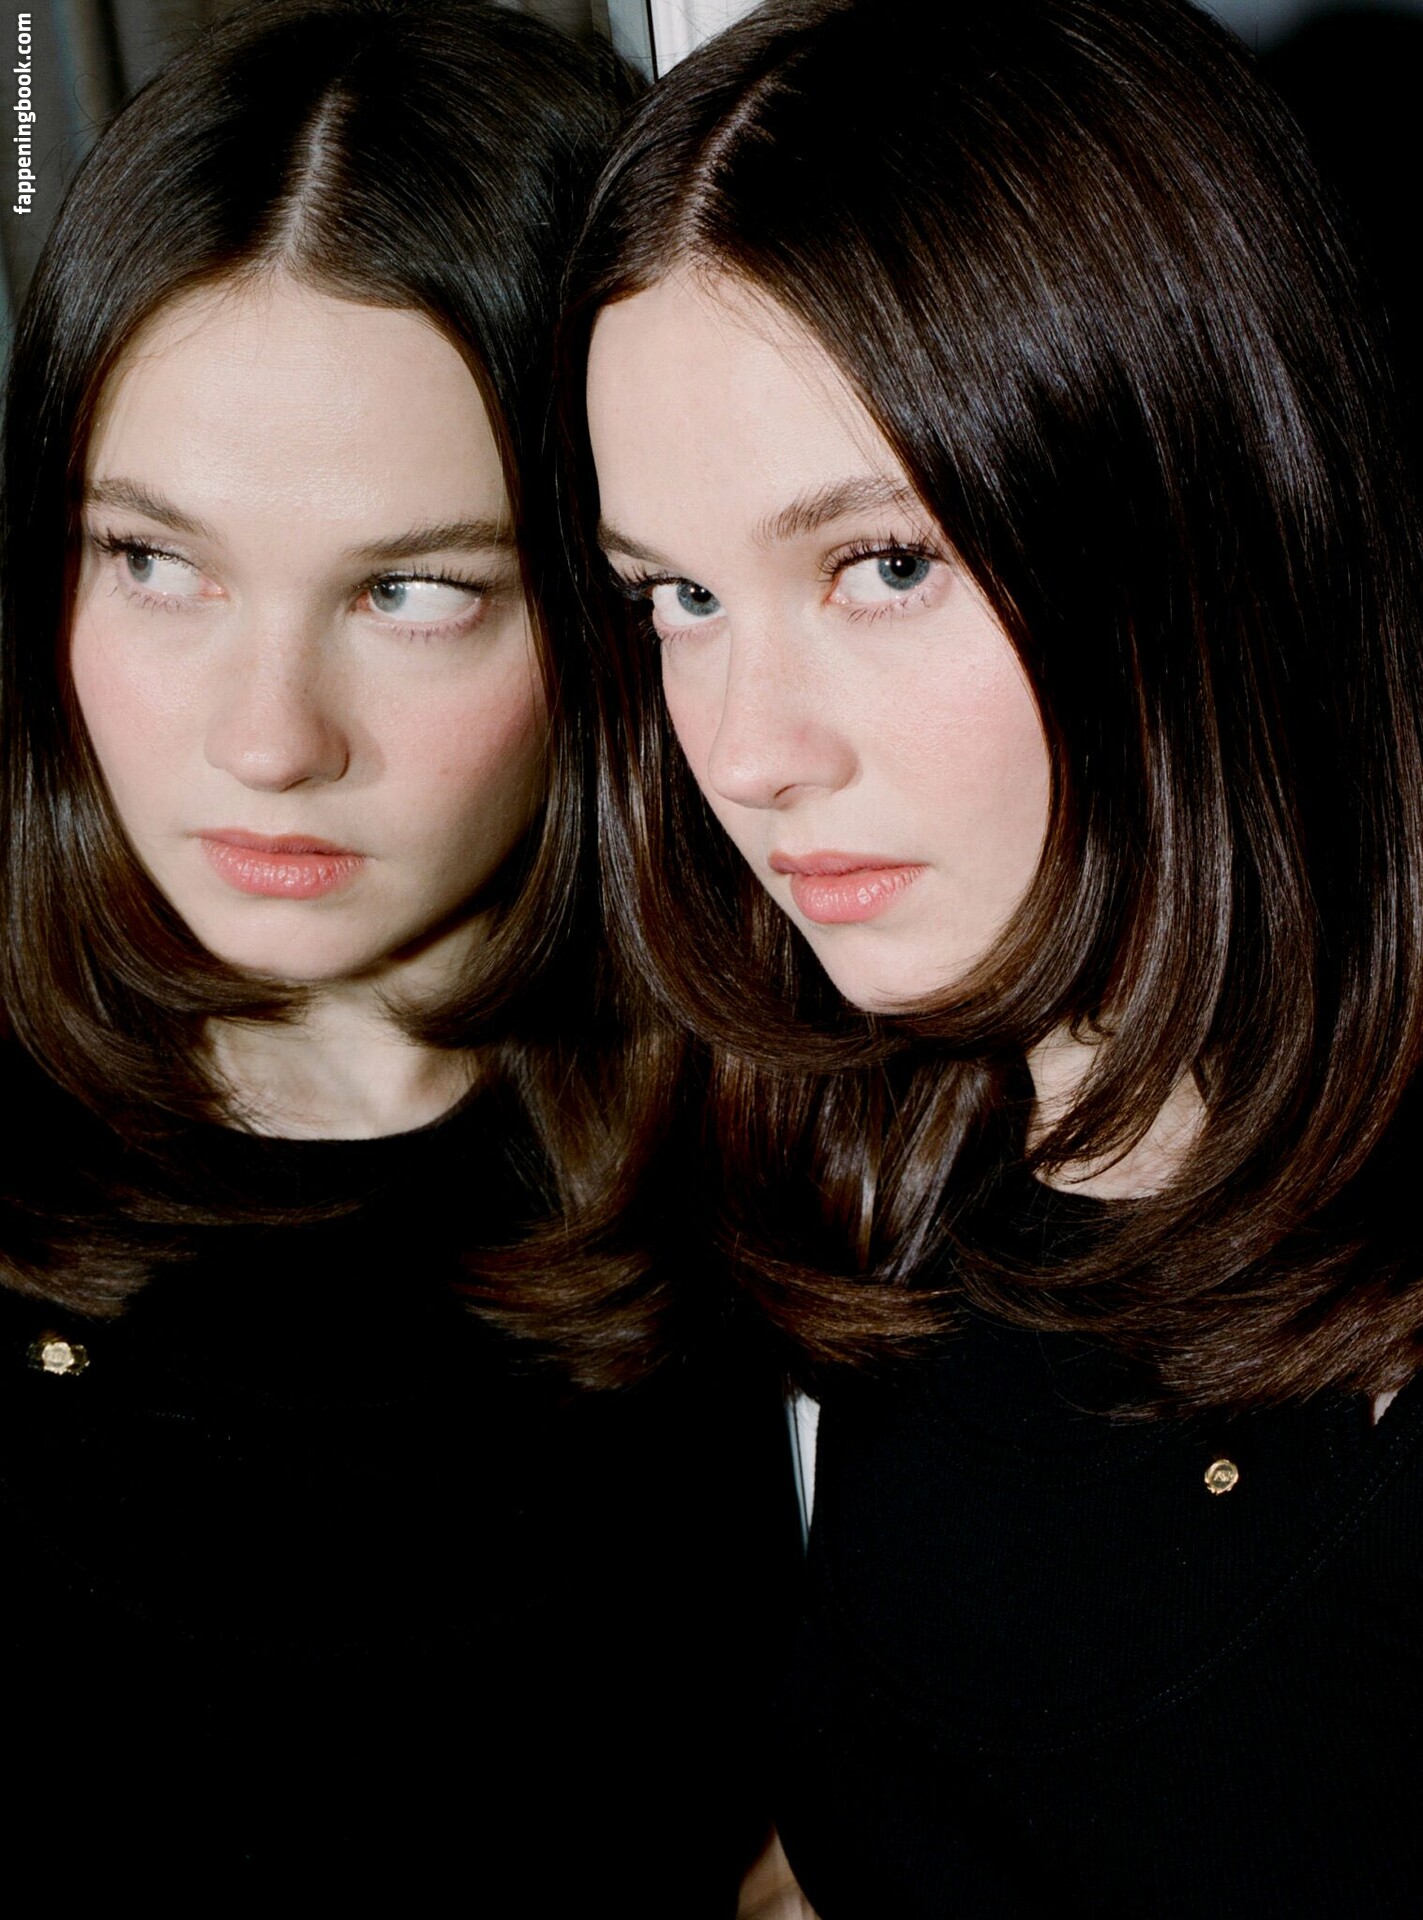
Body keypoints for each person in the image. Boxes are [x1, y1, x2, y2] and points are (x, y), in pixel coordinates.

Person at [570, 0, 1423, 1911]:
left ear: (1206, 513)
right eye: (679, 596)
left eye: (883, 565)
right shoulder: (909, 1176)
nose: (750, 750)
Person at [0, 0, 798, 1901]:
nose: (269, 738)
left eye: (413, 590)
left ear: (608, 609)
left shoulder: (819, 1169)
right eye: (155, 562)